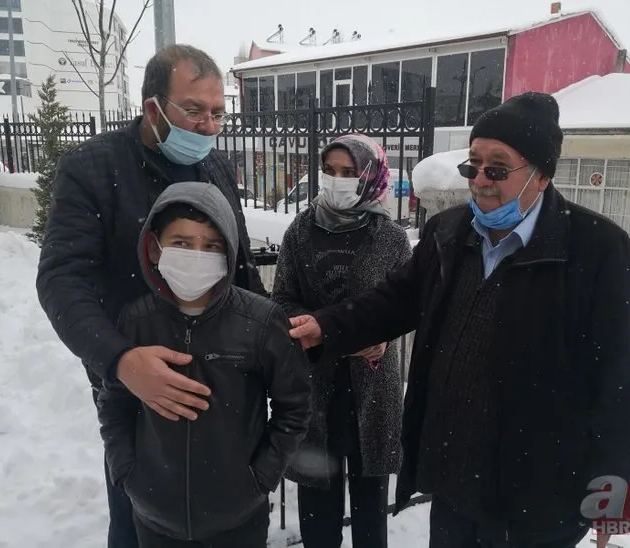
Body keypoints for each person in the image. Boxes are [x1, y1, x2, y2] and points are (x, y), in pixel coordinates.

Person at [287, 92, 630, 548]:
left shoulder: (596, 250)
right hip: (456, 484)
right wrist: (329, 327)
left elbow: (625, 386)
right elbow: (393, 300)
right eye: (472, 165)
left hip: (540, 497)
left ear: (540, 175)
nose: (480, 180)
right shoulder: (449, 232)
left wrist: (612, 503)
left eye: (497, 168)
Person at [35, 44, 267, 547]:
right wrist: (119, 361)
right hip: (139, 388)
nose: (208, 126)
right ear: (152, 108)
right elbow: (61, 278)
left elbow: (241, 267)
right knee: (139, 521)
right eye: (193, 110)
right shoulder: (93, 167)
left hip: (222, 380)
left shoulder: (216, 168)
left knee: (226, 518)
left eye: (217, 113)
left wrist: (272, 342)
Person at [97, 181, 312, 548]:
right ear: (154, 247)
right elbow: (115, 402)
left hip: (238, 517)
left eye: (211, 246)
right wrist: (127, 471)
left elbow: (295, 406)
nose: (197, 255)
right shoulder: (136, 321)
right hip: (155, 517)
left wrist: (260, 477)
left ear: (228, 253)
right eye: (181, 243)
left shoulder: (260, 322)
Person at [272, 134, 412, 548]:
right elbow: (282, 298)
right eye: (330, 170)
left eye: (349, 173)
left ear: (369, 176)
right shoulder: (301, 229)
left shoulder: (390, 237)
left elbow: (404, 303)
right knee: (319, 514)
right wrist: (320, 328)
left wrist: (383, 336)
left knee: (371, 515)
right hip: (316, 386)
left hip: (372, 389)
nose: (337, 180)